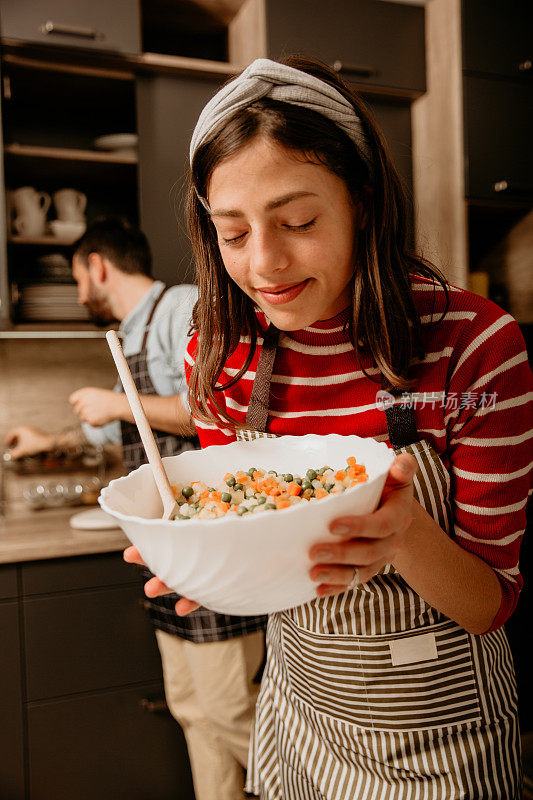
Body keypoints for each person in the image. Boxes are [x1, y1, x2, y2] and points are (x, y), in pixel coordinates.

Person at [124, 57, 533, 799]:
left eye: (298, 222)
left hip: (436, 737)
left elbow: (488, 604)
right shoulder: (219, 352)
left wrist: (402, 532)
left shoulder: (474, 347)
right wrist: (206, 561)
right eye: (232, 232)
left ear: (364, 203)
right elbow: (258, 546)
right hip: (298, 718)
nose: (265, 263)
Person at [6, 217, 266, 800]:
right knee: (191, 707)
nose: (78, 296)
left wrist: (118, 400)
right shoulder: (131, 331)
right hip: (166, 549)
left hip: (209, 543)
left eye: (78, 279)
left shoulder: (183, 308)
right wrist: (52, 439)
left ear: (97, 267)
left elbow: (221, 413)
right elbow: (121, 426)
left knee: (229, 708)